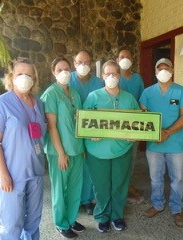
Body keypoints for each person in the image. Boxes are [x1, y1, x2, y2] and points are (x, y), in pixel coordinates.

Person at [0, 57, 47, 239]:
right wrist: (3, 174)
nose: (24, 77)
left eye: (29, 74)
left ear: (34, 78)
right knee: (12, 225)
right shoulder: (2, 104)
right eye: (20, 74)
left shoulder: (38, 104)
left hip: (35, 170)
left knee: (33, 221)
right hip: (12, 173)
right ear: (11, 77)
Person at [83, 60, 140, 233]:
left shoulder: (128, 98)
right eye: (107, 74)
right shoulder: (93, 97)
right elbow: (83, 122)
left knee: (119, 185)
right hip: (97, 151)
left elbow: (137, 123)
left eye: (114, 73)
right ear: (102, 76)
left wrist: (134, 136)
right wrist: (90, 134)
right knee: (100, 186)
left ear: (119, 75)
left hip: (122, 149)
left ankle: (117, 216)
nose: (111, 77)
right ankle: (102, 216)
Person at [139, 58, 183, 228]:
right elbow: (143, 115)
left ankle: (176, 209)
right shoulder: (147, 93)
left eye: (166, 67)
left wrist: (167, 132)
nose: (163, 71)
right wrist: (155, 133)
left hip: (175, 145)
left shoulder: (182, 92)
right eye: (159, 68)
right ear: (155, 72)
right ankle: (157, 204)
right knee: (155, 177)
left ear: (172, 70)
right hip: (154, 144)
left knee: (177, 178)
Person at [40, 57, 85, 239]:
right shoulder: (51, 94)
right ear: (54, 73)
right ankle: (60, 223)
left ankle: (71, 219)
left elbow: (80, 121)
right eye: (60, 69)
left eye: (67, 68)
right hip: (59, 152)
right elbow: (51, 127)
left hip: (76, 149)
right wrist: (61, 153)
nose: (64, 72)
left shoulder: (74, 93)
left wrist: (81, 147)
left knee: (75, 187)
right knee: (60, 189)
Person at [69, 50, 104, 215]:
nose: (83, 65)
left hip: (92, 130)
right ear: (74, 63)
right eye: (79, 62)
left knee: (89, 167)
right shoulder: (67, 80)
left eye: (86, 62)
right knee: (74, 167)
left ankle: (87, 200)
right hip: (70, 130)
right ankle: (73, 199)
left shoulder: (99, 83)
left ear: (91, 64)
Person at [117, 47, 145, 201]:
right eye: (122, 56)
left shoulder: (137, 79)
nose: (125, 59)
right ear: (117, 60)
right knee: (118, 155)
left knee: (132, 156)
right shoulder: (113, 78)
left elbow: (143, 100)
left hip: (133, 124)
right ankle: (118, 186)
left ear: (132, 60)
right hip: (116, 124)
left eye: (128, 56)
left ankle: (128, 184)